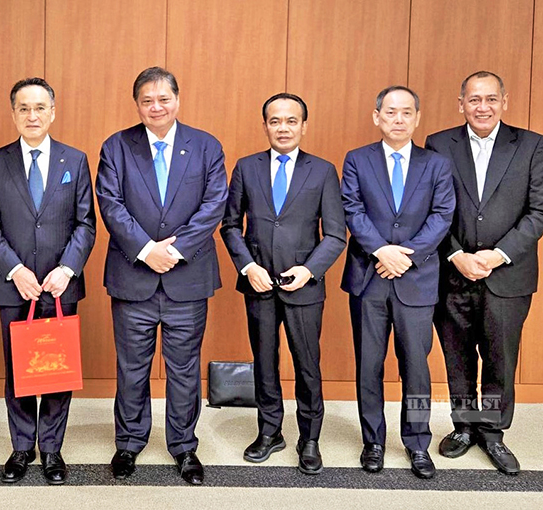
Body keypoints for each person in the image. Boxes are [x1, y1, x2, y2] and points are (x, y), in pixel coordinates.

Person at [96, 66, 228, 485]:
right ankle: (128, 443)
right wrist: (146, 250)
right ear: (137, 104)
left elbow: (214, 204)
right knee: (132, 368)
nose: (156, 107)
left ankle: (184, 446)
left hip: (186, 276)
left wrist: (172, 250)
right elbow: (110, 203)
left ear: (177, 100)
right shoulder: (116, 146)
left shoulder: (206, 146)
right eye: (147, 100)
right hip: (133, 276)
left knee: (184, 369)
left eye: (163, 99)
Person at [0, 77, 96, 485]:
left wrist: (67, 269)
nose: (32, 115)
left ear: (53, 112)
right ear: (13, 113)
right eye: (24, 108)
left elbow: (86, 223)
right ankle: (21, 447)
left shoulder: (74, 160)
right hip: (15, 284)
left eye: (40, 107)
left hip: (61, 284)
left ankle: (51, 449)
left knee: (57, 369)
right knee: (20, 369)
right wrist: (16, 270)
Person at [220, 93, 346, 475]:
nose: (283, 128)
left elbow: (336, 234)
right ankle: (270, 431)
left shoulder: (322, 171)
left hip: (304, 286)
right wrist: (247, 267)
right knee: (265, 363)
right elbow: (230, 225)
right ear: (265, 126)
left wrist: (309, 270)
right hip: (258, 283)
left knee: (307, 364)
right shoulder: (246, 167)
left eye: (291, 121)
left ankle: (310, 438)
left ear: (304, 126)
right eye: (275, 121)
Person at [425, 71, 543, 475]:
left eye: (491, 99)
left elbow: (538, 212)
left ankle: (492, 432)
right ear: (461, 104)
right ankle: (463, 426)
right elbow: (431, 209)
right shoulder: (439, 144)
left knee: (499, 358)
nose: (483, 107)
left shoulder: (532, 145)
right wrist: (456, 254)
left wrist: (498, 255)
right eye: (474, 99)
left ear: (504, 102)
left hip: (507, 275)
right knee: (456, 356)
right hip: (452, 273)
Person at [340, 86, 455, 479]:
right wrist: (380, 250)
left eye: (407, 112)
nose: (399, 119)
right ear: (377, 117)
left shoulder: (436, 164)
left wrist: (405, 256)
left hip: (416, 279)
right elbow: (352, 209)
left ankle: (418, 442)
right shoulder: (357, 159)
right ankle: (373, 441)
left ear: (417, 118)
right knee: (369, 365)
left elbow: (442, 215)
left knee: (416, 367)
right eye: (390, 112)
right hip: (369, 278)